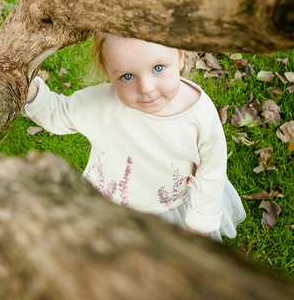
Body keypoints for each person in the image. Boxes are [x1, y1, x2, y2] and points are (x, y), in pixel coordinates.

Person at [24, 33, 245, 241]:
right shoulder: (103, 104)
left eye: (158, 68)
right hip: (111, 206)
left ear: (179, 57)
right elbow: (58, 112)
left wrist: (201, 223)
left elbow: (211, 170)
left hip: (172, 206)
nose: (146, 88)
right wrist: (27, 87)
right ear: (109, 72)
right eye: (127, 76)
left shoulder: (198, 112)